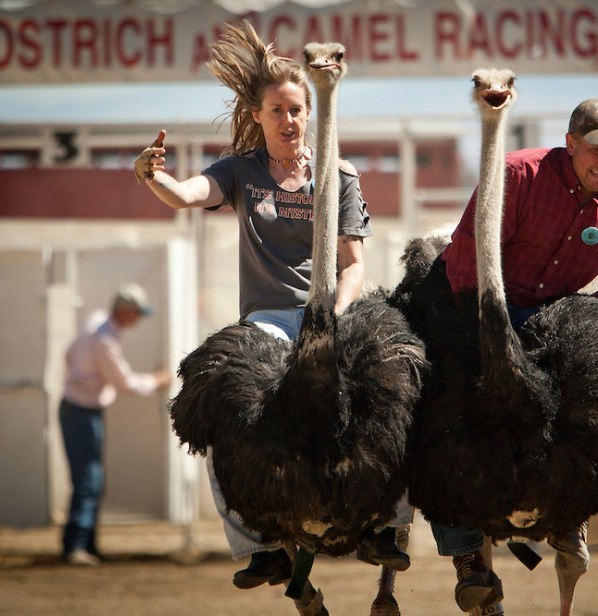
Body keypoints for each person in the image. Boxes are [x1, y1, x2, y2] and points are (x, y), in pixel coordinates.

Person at [132, 22, 408, 590]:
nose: (289, 120)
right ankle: (256, 544)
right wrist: (153, 175)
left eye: (297, 109)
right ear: (257, 116)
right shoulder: (242, 172)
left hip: (332, 312)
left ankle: (388, 525)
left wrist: (331, 311)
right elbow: (187, 195)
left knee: (398, 386)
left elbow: (353, 265)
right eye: (277, 110)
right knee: (213, 397)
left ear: (310, 113)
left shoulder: (341, 176)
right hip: (266, 323)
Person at [435, 97, 598, 610]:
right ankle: (465, 553)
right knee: (440, 410)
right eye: (597, 150)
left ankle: (569, 516)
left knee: (592, 398)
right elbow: (469, 258)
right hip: (472, 303)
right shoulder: (518, 175)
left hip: (545, 321)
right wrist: (492, 331)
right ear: (570, 144)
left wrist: (590, 312)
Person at [60, 283, 172, 566]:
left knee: (88, 480)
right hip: (83, 411)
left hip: (79, 407)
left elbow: (69, 353)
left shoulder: (97, 323)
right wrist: (157, 381)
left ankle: (82, 543)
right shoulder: (104, 339)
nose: (136, 319)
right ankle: (77, 546)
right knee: (89, 480)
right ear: (125, 312)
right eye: (135, 313)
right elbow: (125, 384)